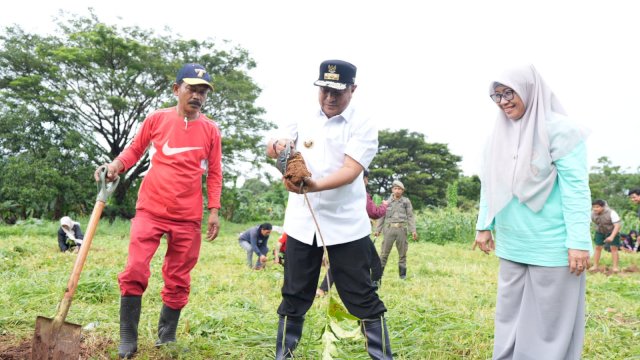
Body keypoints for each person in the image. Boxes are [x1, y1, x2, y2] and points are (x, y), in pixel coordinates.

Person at [94, 63, 222, 359]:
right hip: (151, 208)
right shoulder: (156, 119)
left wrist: (213, 209)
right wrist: (114, 167)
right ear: (177, 89)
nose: (198, 96)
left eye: (203, 91)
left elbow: (215, 172)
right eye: (192, 88)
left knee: (179, 276)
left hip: (188, 215)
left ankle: (167, 337)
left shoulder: (211, 131)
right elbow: (134, 150)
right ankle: (128, 336)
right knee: (135, 268)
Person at [266, 59, 392, 359]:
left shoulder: (363, 124)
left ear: (353, 89)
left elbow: (351, 170)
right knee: (295, 294)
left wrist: (311, 185)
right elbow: (274, 143)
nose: (330, 98)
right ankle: (284, 354)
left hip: (346, 225)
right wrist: (278, 146)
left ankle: (382, 355)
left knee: (361, 295)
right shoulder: (302, 114)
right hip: (301, 222)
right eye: (324, 90)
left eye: (338, 91)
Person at [473, 65, 592, 359]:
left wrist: (578, 242)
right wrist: (484, 224)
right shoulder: (498, 134)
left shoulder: (560, 129)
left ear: (529, 88)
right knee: (509, 317)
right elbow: (490, 182)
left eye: (509, 92)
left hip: (553, 245)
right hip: (513, 241)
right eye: (496, 95)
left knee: (549, 325)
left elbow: (576, 189)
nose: (503, 101)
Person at [317, 169, 387, 296]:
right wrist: (384, 206)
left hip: (340, 231)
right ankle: (373, 286)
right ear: (364, 179)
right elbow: (374, 213)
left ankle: (323, 289)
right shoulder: (361, 193)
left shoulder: (341, 190)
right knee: (375, 263)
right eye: (366, 179)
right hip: (358, 233)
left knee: (338, 262)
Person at [374, 179, 417, 279]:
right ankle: (378, 276)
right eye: (395, 188)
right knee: (384, 254)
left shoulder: (406, 201)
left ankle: (402, 276)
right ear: (392, 190)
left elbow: (410, 216)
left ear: (402, 191)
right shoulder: (386, 202)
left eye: (399, 189)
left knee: (403, 254)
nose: (397, 191)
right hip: (389, 230)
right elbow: (381, 216)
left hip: (401, 230)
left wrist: (413, 230)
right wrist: (378, 230)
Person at [590, 199, 622, 272]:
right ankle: (595, 266)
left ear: (603, 207)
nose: (595, 209)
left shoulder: (611, 213)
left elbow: (617, 226)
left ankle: (615, 267)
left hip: (612, 231)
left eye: (597, 207)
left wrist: (612, 236)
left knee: (613, 248)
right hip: (600, 231)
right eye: (593, 207)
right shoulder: (592, 214)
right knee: (598, 247)